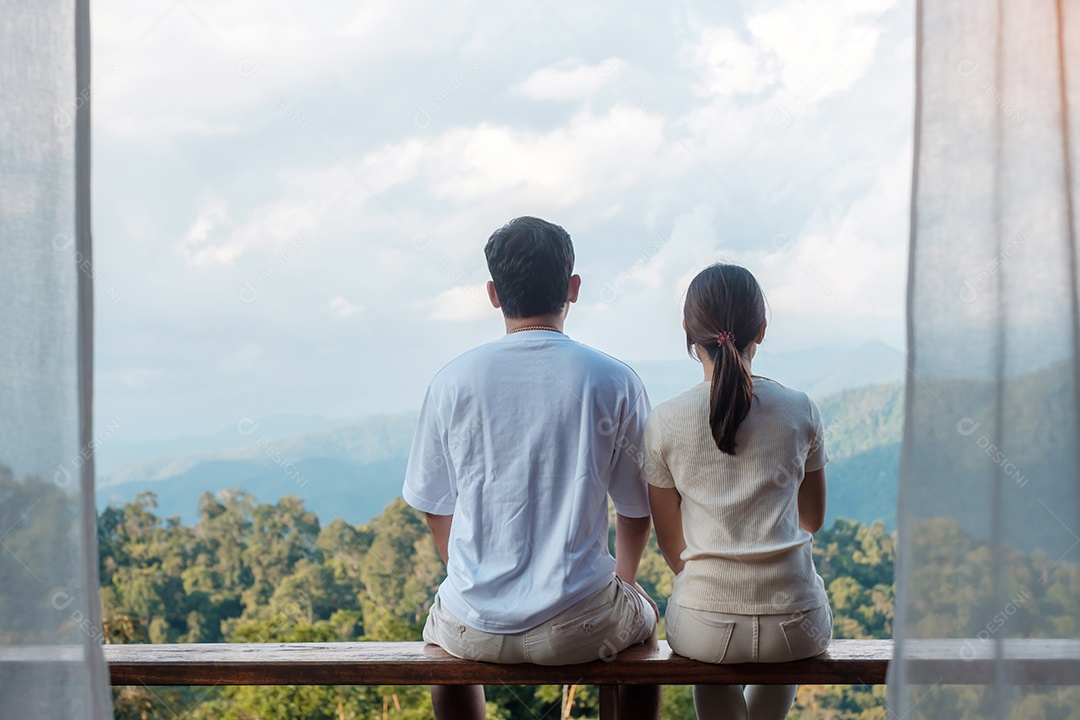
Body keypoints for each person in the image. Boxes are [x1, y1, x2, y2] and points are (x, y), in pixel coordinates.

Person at [403, 216, 661, 720]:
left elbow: (434, 506)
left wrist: (471, 577)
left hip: (472, 624)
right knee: (646, 625)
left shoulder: (452, 381)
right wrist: (625, 584)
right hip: (581, 623)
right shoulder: (613, 380)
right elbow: (637, 507)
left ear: (494, 294)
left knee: (442, 649)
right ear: (573, 288)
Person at [645, 263, 832, 720]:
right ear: (761, 331)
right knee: (783, 654)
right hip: (797, 620)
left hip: (704, 622)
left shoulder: (665, 421)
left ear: (690, 338)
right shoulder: (799, 410)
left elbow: (672, 544)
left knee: (709, 653)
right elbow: (812, 520)